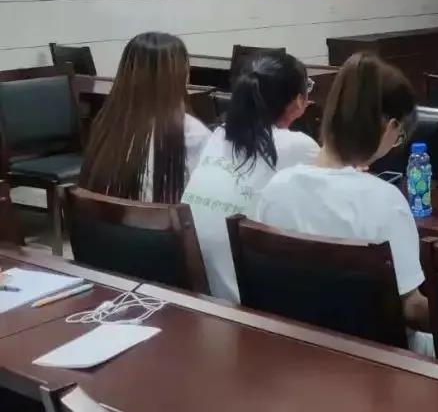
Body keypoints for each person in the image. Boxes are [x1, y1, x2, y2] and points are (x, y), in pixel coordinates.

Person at [255, 53, 428, 339]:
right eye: (399, 137)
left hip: (293, 347)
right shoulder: (386, 202)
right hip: (373, 357)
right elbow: (411, 307)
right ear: (389, 127)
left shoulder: (276, 189)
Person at [181, 53, 319, 302]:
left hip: (199, 292)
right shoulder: (299, 146)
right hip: (246, 302)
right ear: (299, 102)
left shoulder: (219, 135)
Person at [81, 32, 210, 204]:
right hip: (161, 221)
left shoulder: (107, 123)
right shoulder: (191, 132)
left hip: (106, 220)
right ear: (179, 76)